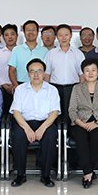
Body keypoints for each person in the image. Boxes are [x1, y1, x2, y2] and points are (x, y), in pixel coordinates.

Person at [10, 58, 60, 187]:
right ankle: (20, 174)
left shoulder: (52, 90)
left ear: (44, 73)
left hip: (45, 122)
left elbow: (54, 112)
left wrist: (42, 128)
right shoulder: (20, 89)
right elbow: (16, 112)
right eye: (32, 71)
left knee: (50, 136)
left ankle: (46, 175)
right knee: (18, 136)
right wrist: (27, 129)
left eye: (39, 71)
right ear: (28, 74)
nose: (36, 74)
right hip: (24, 122)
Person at [68, 58, 98, 189]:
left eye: (93, 70)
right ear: (83, 73)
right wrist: (83, 124)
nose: (90, 73)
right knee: (80, 136)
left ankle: (87, 171)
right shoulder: (77, 88)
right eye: (87, 70)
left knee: (96, 136)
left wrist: (97, 124)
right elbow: (72, 110)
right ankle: (89, 172)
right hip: (80, 122)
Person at [44, 24, 85, 124]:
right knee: (54, 114)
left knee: (70, 115)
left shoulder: (78, 53)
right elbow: (47, 74)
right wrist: (46, 90)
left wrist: (81, 91)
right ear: (56, 37)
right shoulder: (51, 54)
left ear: (71, 36)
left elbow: (82, 75)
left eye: (66, 35)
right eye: (60, 35)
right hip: (55, 88)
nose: (63, 38)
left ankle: (69, 132)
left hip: (73, 88)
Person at [8, 20, 48, 91]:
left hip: (39, 85)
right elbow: (11, 71)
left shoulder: (45, 51)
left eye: (33, 30)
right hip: (21, 84)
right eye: (28, 30)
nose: (31, 32)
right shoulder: (16, 49)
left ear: (37, 32)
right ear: (24, 32)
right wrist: (16, 85)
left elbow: (47, 72)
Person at [0, 24, 18, 114]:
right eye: (6, 35)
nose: (10, 37)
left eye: (12, 34)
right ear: (3, 37)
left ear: (17, 35)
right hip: (4, 89)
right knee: (3, 114)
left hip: (20, 88)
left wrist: (16, 85)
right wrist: (5, 85)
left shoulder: (21, 51)